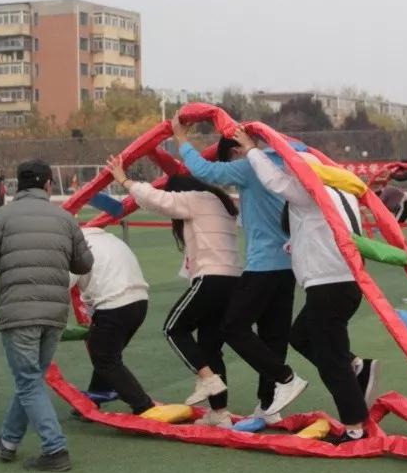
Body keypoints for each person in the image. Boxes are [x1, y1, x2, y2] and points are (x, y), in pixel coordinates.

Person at [236, 128, 376, 445]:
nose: (288, 175)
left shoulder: (311, 189)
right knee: (300, 336)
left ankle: (355, 426)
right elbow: (315, 227)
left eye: (291, 170)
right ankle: (355, 367)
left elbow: (274, 182)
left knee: (330, 358)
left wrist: (251, 150)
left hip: (329, 284)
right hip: (344, 282)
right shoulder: (341, 192)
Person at [0, 160, 94, 472]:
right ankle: (8, 441)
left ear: (18, 185)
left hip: (18, 313)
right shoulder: (65, 219)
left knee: (28, 380)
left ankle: (55, 448)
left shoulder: (0, 218)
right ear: (48, 184)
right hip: (54, 314)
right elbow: (84, 264)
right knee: (30, 380)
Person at [172, 115, 295, 423]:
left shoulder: (251, 166)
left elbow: (205, 171)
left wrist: (181, 140)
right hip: (288, 266)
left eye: (230, 160)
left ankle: (285, 377)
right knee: (273, 336)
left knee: (232, 327)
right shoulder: (284, 164)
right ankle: (269, 406)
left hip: (262, 265)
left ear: (238, 150)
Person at [108, 154, 242, 427]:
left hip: (212, 277)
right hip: (232, 280)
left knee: (173, 328)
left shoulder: (195, 199)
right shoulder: (219, 203)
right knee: (210, 346)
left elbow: (156, 200)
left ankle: (207, 379)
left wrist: (124, 181)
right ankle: (220, 413)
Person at [71, 226, 155, 416]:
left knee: (105, 359)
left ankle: (143, 406)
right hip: (140, 302)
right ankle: (93, 399)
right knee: (106, 353)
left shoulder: (75, 245)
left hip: (114, 305)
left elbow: (63, 283)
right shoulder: (110, 238)